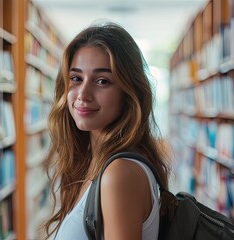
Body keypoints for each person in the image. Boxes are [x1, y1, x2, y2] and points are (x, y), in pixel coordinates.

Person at [44, 21, 171, 240]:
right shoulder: (93, 163)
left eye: (102, 81)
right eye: (76, 78)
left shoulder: (119, 173)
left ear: (129, 93)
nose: (83, 94)